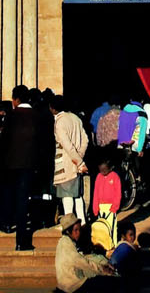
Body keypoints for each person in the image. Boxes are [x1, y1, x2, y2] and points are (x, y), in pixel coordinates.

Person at [0, 83, 39, 249]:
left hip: (10, 165)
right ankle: (21, 240)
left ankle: (7, 224)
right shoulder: (36, 116)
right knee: (23, 201)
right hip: (29, 165)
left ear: (15, 99)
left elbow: (3, 142)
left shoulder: (11, 116)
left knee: (10, 196)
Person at [54, 92, 91, 221]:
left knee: (67, 197)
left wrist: (78, 161)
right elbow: (85, 140)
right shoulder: (76, 118)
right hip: (77, 163)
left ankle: (70, 226)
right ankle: (82, 223)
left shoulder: (59, 122)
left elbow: (67, 145)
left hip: (66, 163)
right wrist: (80, 157)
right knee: (78, 196)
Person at [57, 211, 114, 288]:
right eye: (76, 230)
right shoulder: (66, 243)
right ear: (68, 231)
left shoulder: (64, 242)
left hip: (68, 282)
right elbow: (81, 262)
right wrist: (102, 269)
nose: (78, 233)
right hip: (72, 284)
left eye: (79, 230)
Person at [108, 215, 144, 280]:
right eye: (130, 235)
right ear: (123, 236)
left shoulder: (121, 246)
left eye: (134, 234)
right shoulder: (125, 248)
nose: (133, 237)